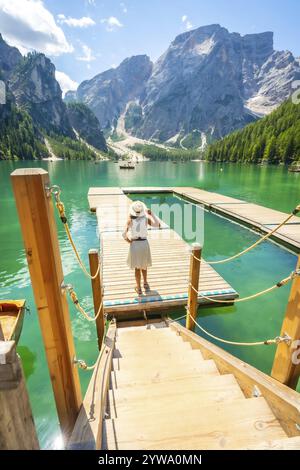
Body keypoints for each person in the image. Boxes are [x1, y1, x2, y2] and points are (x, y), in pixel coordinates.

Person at [123, 200, 161, 295]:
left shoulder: (130, 220)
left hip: (135, 244)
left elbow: (123, 234)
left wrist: (129, 241)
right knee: (144, 265)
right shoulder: (146, 219)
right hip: (144, 244)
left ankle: (139, 288)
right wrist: (152, 214)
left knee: (137, 267)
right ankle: (145, 283)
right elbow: (158, 225)